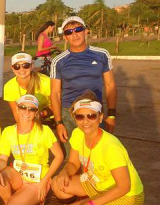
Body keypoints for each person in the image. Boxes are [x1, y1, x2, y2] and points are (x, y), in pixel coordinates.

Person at [52, 92, 144, 205]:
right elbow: (73, 162)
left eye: (91, 116)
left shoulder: (110, 146)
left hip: (127, 196)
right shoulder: (77, 133)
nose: (85, 121)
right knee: (57, 183)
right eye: (80, 117)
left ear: (100, 117)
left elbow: (124, 187)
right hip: (97, 184)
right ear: (75, 119)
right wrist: (63, 172)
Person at [50, 16, 117, 158]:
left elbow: (110, 85)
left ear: (85, 31)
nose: (74, 34)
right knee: (72, 159)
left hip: (94, 113)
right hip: (69, 114)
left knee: (97, 156)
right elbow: (55, 93)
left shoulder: (101, 55)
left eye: (78, 29)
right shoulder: (59, 61)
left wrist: (111, 115)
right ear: (65, 38)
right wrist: (59, 122)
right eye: (69, 32)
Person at [0, 95, 63, 205]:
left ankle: (28, 203)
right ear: (17, 109)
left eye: (31, 109)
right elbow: (2, 158)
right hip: (19, 176)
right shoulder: (8, 131)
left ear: (36, 113)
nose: (26, 112)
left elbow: (59, 156)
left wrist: (44, 181)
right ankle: (13, 204)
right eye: (23, 107)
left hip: (38, 180)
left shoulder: (44, 131)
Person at [4, 53, 53, 124]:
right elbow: (16, 113)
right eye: (17, 66)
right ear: (13, 69)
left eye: (25, 65)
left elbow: (57, 105)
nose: (21, 69)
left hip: (48, 119)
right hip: (26, 120)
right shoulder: (9, 86)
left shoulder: (46, 82)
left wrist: (40, 115)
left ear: (32, 66)